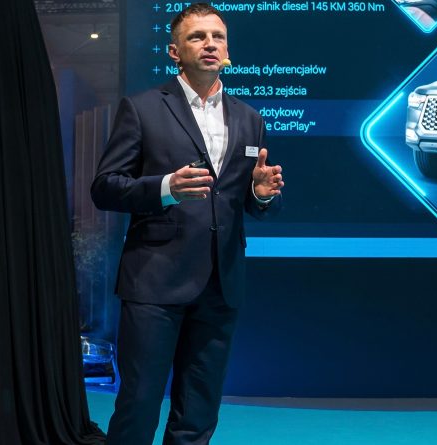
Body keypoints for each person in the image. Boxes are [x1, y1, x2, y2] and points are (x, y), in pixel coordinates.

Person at [91, 4, 284, 444]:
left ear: (228, 50)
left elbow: (246, 203)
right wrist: (166, 187)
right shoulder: (141, 108)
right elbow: (104, 187)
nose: (210, 44)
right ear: (175, 51)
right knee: (139, 403)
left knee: (199, 409)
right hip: (155, 280)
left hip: (221, 283)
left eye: (218, 37)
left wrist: (261, 194)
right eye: (197, 37)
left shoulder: (250, 118)